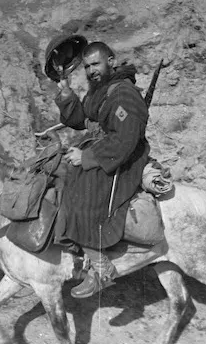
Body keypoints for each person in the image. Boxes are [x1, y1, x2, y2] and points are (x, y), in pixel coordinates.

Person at [54, 41, 150, 298]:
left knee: (83, 198)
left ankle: (101, 269)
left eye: (96, 63)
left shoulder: (123, 95)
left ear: (111, 60)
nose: (91, 70)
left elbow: (125, 139)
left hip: (125, 159)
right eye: (87, 66)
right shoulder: (102, 91)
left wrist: (87, 157)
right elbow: (82, 119)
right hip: (108, 150)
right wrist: (66, 96)